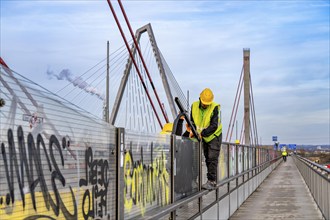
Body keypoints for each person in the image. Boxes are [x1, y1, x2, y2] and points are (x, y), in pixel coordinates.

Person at [190, 88, 222, 190]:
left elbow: (214, 125)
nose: (205, 105)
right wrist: (192, 130)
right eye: (204, 103)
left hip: (214, 136)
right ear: (200, 98)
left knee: (212, 158)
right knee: (196, 157)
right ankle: (193, 181)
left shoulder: (214, 107)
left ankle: (212, 181)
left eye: (207, 103)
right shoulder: (194, 106)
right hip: (201, 136)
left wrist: (202, 134)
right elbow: (192, 121)